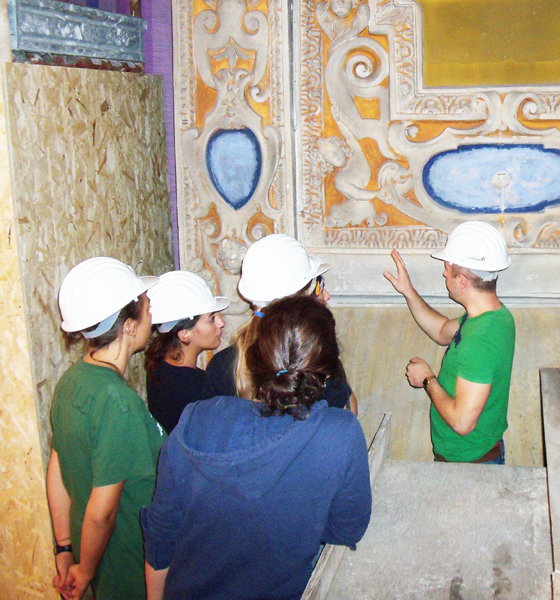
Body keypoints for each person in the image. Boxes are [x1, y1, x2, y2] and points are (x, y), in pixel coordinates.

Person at [141, 295, 372, 600]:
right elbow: (346, 530)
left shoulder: (196, 418)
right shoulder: (340, 433)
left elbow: (162, 535)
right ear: (329, 372)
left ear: (254, 358)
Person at [46, 257, 166, 600]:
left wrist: (64, 548)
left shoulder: (71, 381)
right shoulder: (117, 402)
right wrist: (85, 571)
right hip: (127, 565)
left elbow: (57, 468)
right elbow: (103, 513)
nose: (152, 316)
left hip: (95, 556)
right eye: (147, 308)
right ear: (128, 326)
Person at [384, 221, 516, 464]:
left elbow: (463, 423)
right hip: (475, 456)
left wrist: (427, 379)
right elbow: (442, 330)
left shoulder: (480, 341)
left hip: (468, 465)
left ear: (462, 281)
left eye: (447, 269)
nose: (445, 274)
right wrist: (408, 291)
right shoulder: (494, 316)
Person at [201, 233, 358, 415]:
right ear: (298, 300)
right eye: (319, 285)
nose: (326, 295)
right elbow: (349, 414)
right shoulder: (315, 363)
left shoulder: (222, 365)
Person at [145, 271, 230, 433]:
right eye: (211, 319)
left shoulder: (158, 364)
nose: (221, 323)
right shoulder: (196, 387)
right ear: (185, 334)